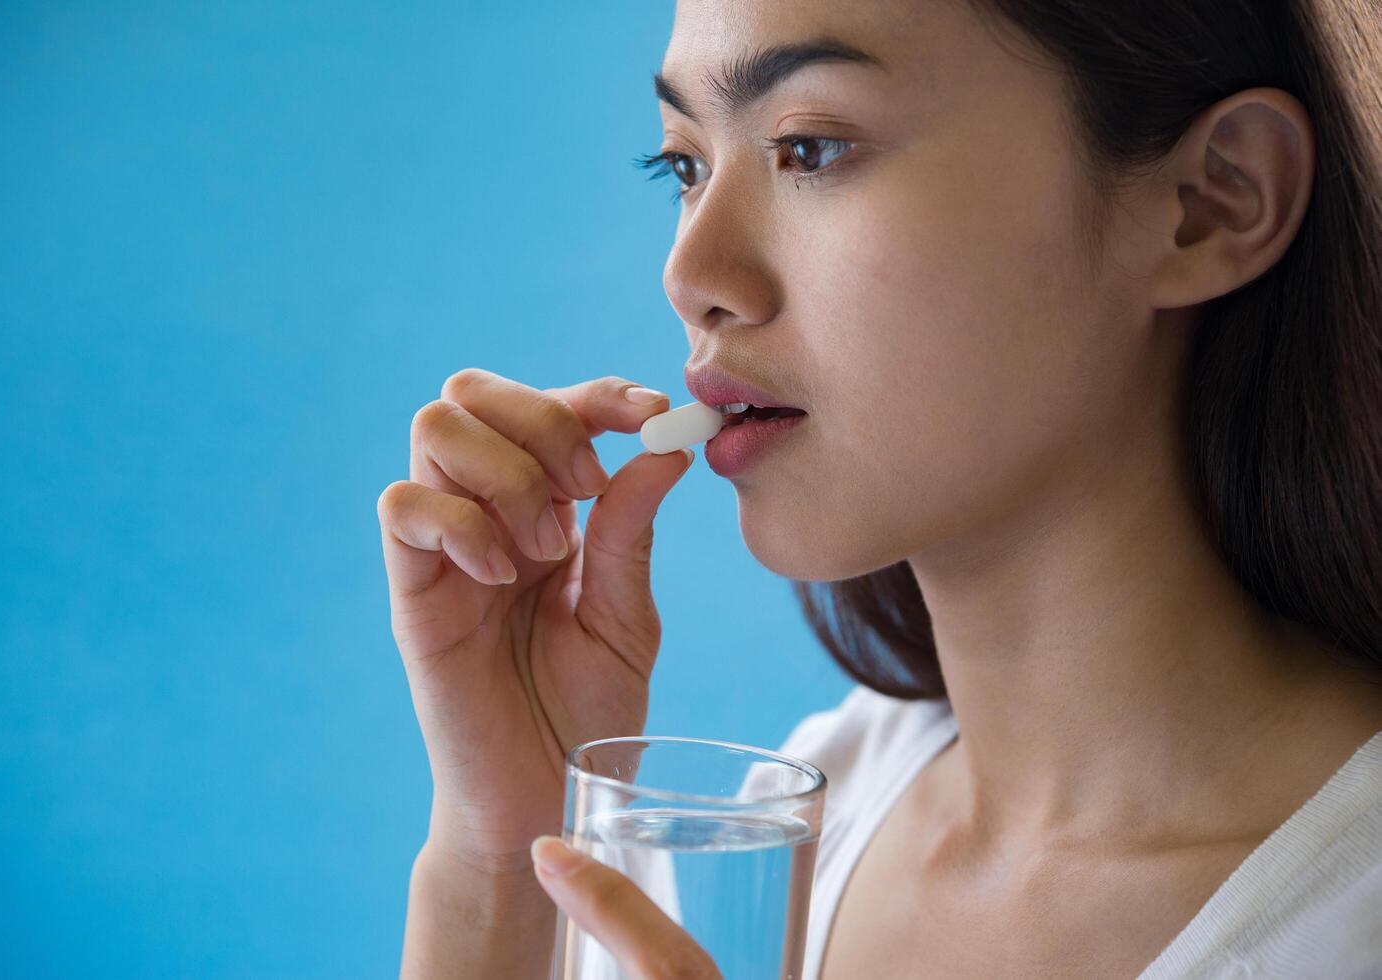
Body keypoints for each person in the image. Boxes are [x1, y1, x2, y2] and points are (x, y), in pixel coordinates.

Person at [376, 0, 1382, 976]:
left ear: (1212, 200)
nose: (691, 271)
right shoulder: (796, 822)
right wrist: (504, 858)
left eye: (808, 146)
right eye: (683, 164)